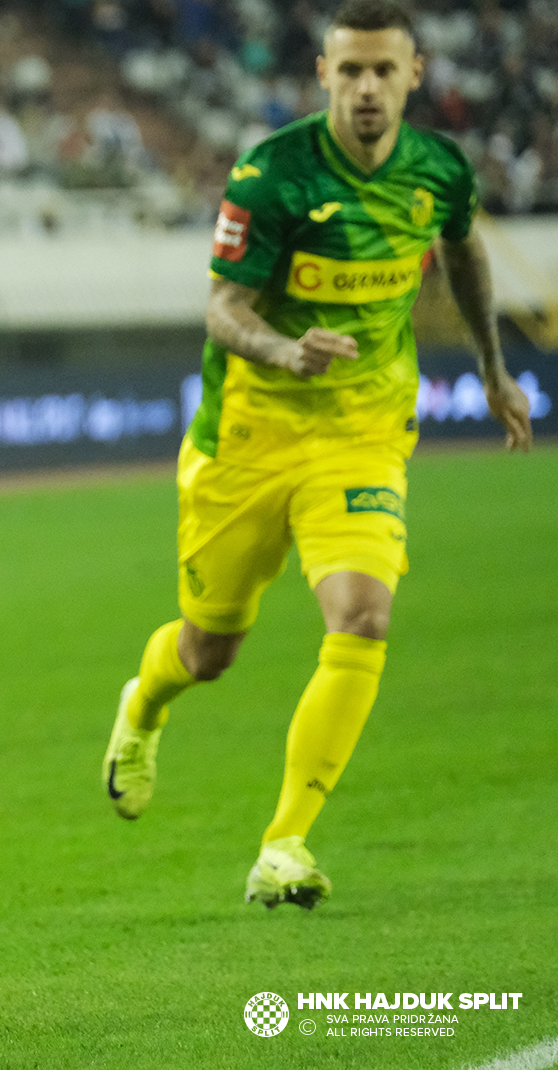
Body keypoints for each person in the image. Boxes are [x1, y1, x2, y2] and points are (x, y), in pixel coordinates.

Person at [102, 0, 532, 911]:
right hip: (250, 435)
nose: (367, 87)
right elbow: (222, 305)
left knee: (363, 614)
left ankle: (284, 842)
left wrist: (494, 369)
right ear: (324, 76)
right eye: (350, 71)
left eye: (384, 70)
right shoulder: (274, 175)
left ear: (415, 74)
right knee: (210, 649)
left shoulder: (438, 171)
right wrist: (285, 350)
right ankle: (143, 705)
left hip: (363, 431)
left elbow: (462, 254)